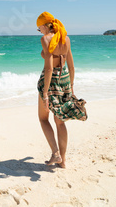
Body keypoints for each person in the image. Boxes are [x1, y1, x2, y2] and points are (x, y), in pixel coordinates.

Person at [36, 12, 87, 168]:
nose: (40, 32)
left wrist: (45, 93)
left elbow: (49, 67)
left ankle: (55, 153)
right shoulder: (65, 38)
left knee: (43, 119)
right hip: (64, 78)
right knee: (60, 122)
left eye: (39, 29)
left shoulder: (46, 39)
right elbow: (71, 66)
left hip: (50, 81)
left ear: (45, 26)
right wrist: (70, 86)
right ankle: (63, 162)